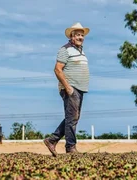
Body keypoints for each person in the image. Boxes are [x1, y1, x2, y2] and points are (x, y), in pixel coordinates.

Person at [44, 22, 90, 156]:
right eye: (77, 35)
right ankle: (70, 147)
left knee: (73, 117)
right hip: (71, 87)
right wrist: (67, 87)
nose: (80, 37)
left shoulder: (80, 51)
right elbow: (57, 69)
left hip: (80, 88)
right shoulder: (65, 49)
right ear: (71, 36)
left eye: (82, 35)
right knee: (72, 118)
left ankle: (52, 140)